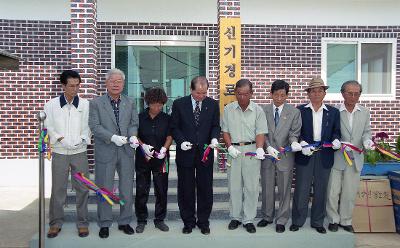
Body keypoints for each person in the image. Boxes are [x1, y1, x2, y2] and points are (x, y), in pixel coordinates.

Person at [89, 68, 139, 238]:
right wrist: (112, 137)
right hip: (106, 149)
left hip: (126, 151)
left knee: (126, 188)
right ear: (106, 83)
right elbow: (95, 127)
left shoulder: (130, 102)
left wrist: (132, 136)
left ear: (123, 84)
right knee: (105, 188)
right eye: (112, 81)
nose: (116, 84)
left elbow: (133, 123)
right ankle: (104, 223)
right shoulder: (96, 103)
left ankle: (124, 221)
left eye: (119, 81)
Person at [290, 77, 341, 234]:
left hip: (324, 154)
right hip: (305, 153)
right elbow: (295, 132)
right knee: (301, 189)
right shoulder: (299, 110)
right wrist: (301, 142)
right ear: (308, 93)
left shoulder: (333, 112)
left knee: (321, 189)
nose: (317, 93)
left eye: (320, 90)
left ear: (324, 93)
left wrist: (336, 140)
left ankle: (318, 221)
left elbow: (336, 131)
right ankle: (297, 221)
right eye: (313, 91)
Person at [170, 76, 220, 235]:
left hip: (205, 153)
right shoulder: (179, 104)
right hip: (185, 153)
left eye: (204, 93)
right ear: (191, 90)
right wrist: (181, 141)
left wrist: (214, 137)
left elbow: (215, 125)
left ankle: (203, 221)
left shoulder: (212, 104)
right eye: (198, 93)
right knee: (186, 188)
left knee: (205, 188)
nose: (201, 96)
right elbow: (174, 127)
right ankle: (188, 221)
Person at [44, 70, 91, 238]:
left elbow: (88, 125)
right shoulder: (51, 105)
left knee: (83, 188)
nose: (75, 89)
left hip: (79, 151)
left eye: (78, 85)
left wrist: (83, 138)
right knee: (58, 189)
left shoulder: (85, 104)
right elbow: (48, 126)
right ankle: (55, 223)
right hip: (59, 152)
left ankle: (83, 223)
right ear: (63, 86)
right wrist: (59, 138)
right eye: (71, 86)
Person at [326, 80, 374, 233]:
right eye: (350, 93)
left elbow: (367, 131)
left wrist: (367, 140)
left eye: (357, 94)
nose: (353, 97)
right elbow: (331, 131)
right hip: (338, 157)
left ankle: (346, 220)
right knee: (333, 191)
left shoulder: (365, 112)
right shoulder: (335, 112)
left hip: (356, 158)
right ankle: (333, 219)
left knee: (349, 192)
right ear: (342, 94)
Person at [222, 79, 268, 234]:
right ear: (235, 93)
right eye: (239, 94)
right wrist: (229, 147)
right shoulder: (228, 109)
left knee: (251, 187)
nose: (242, 97)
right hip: (233, 151)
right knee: (234, 187)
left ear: (251, 93)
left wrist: (260, 148)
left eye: (245, 94)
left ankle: (248, 219)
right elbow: (225, 131)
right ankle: (235, 217)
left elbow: (260, 132)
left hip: (251, 151)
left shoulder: (258, 110)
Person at [257, 80, 302, 233]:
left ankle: (282, 219)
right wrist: (267, 146)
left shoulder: (294, 112)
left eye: (283, 95)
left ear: (287, 95)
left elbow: (293, 133)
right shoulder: (263, 110)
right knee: (267, 187)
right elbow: (261, 131)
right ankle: (267, 216)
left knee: (284, 189)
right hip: (268, 155)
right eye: (276, 95)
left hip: (285, 155)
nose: (279, 98)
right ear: (271, 94)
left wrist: (294, 143)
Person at [134, 87, 172, 233]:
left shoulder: (167, 118)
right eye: (154, 104)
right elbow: (134, 135)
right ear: (148, 103)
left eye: (160, 105)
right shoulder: (139, 117)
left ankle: (159, 219)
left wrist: (164, 149)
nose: (157, 108)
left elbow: (170, 136)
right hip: (143, 159)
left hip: (161, 160)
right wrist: (142, 146)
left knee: (161, 190)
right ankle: (141, 219)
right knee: (142, 189)